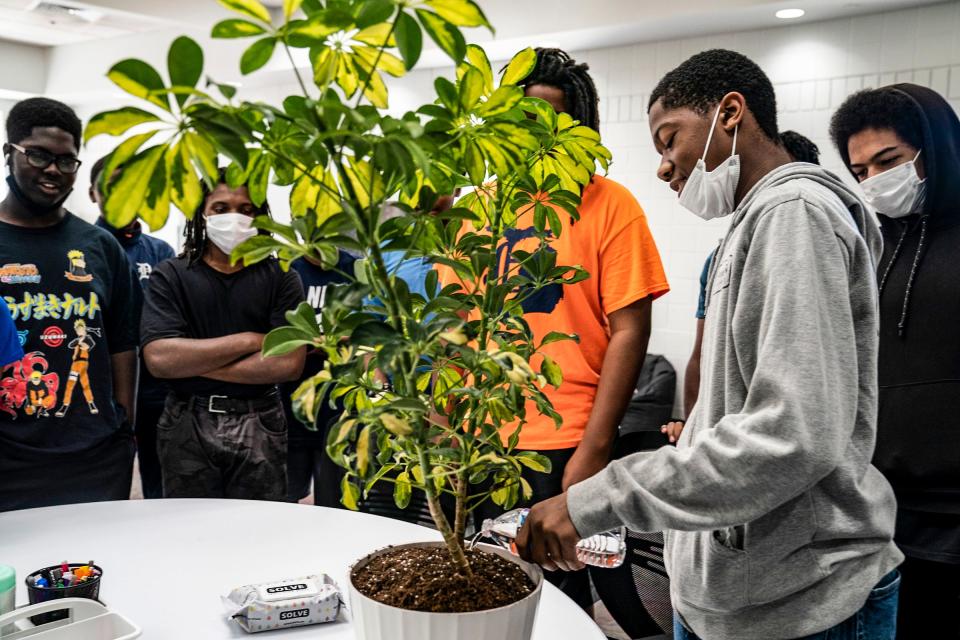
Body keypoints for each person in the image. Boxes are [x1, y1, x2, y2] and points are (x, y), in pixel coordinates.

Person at [517, 49, 903, 640]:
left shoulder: (793, 212)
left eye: (669, 141)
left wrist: (595, 498)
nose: (665, 168)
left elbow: (791, 436)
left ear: (729, 113)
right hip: (737, 594)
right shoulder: (753, 224)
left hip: (800, 604)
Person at [464, 47, 670, 611]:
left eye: (554, 122)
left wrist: (595, 449)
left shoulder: (610, 204)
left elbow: (631, 330)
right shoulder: (478, 207)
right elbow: (456, 329)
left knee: (556, 602)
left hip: (564, 442)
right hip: (483, 444)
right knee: (481, 593)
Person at [830, 83, 960, 638]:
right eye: (859, 171)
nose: (874, 182)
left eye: (889, 161)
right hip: (880, 511)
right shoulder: (871, 245)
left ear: (938, 151)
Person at [0, 97, 141, 511]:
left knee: (96, 567)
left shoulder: (100, 247)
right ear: (9, 154)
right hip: (9, 455)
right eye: (39, 155)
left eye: (66, 161)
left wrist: (122, 427)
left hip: (94, 454)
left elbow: (122, 341)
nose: (53, 170)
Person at [140, 171, 305, 500]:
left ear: (260, 217)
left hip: (261, 417)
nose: (234, 219)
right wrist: (252, 340)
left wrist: (192, 362)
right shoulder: (171, 275)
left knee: (260, 529)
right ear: (201, 214)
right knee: (189, 527)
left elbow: (288, 363)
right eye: (220, 208)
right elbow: (159, 359)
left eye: (245, 210)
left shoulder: (282, 276)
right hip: (187, 419)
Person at [662, 130, 822, 443]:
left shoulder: (807, 228)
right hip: (727, 440)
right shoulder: (720, 260)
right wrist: (693, 430)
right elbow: (702, 353)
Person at [90, 156, 176, 498]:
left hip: (158, 391)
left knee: (160, 487)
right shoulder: (83, 247)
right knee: (109, 485)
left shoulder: (161, 251)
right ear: (93, 193)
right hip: (101, 390)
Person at [283, 250, 355, 506]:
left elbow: (369, 329)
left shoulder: (355, 268)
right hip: (292, 407)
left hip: (340, 409)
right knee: (286, 500)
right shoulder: (287, 269)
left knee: (335, 502)